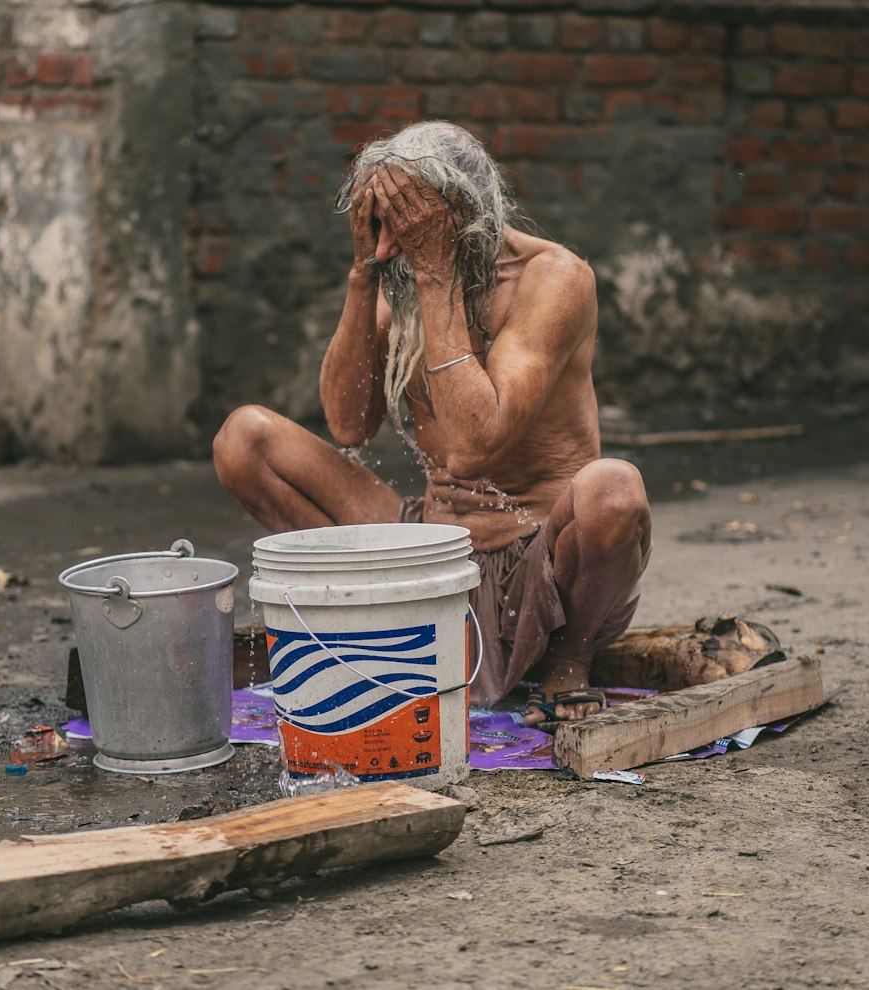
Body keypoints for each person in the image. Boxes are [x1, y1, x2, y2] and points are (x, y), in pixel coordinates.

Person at [214, 121, 652, 728]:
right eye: (382, 220)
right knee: (245, 440)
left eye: (409, 219)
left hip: (539, 557)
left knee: (614, 490)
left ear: (461, 215)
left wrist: (436, 273)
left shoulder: (552, 279)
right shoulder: (407, 276)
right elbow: (347, 424)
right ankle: (365, 623)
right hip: (431, 548)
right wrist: (363, 273)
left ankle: (565, 661)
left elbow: (475, 447)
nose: (396, 240)